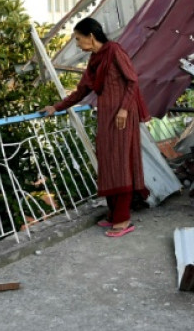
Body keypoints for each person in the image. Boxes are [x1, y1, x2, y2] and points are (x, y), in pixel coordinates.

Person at [40, 18, 150, 237]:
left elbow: (132, 81)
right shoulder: (94, 60)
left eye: (79, 39)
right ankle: (113, 214)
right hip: (106, 117)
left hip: (122, 117)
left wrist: (124, 110)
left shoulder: (115, 51)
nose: (78, 44)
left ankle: (123, 220)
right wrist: (56, 107)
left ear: (91, 36)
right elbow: (81, 91)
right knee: (108, 164)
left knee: (121, 165)